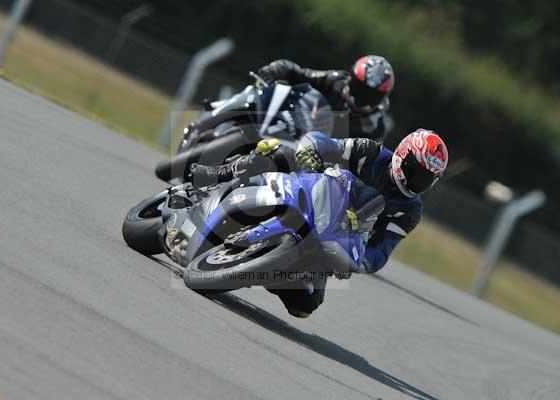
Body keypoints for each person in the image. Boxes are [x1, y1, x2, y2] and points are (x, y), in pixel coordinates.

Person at [190, 129, 448, 317]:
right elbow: (321, 142)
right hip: (310, 189)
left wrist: (358, 262)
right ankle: (217, 176)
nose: (416, 181)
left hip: (332, 237)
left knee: (305, 305)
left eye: (426, 179)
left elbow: (381, 251)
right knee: (278, 153)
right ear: (403, 154)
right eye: (415, 170)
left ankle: (256, 268)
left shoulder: (410, 210)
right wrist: (311, 156)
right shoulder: (370, 152)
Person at [257, 56, 395, 141]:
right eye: (359, 87)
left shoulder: (375, 127)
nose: (361, 95)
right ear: (351, 78)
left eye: (369, 94)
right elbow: (300, 74)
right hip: (297, 129)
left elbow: (363, 161)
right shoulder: (336, 80)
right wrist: (277, 69)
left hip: (320, 164)